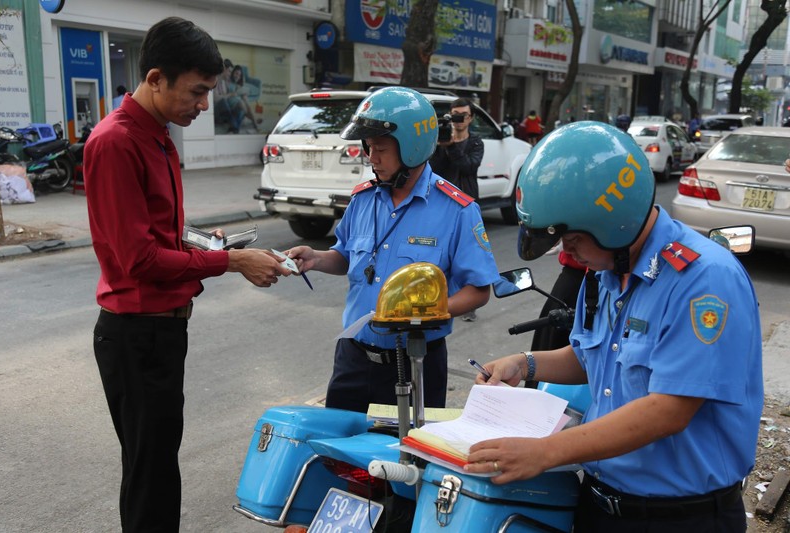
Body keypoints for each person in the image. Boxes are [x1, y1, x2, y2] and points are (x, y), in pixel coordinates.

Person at [465, 121, 762, 532]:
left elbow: (669, 409)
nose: (566, 253)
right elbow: (593, 357)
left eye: (571, 241)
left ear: (612, 218)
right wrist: (525, 363)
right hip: (600, 506)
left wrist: (546, 452)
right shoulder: (606, 269)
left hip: (678, 519)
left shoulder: (702, 279)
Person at [83, 17, 290, 533]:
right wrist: (232, 261)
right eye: (197, 92)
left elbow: (157, 235)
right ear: (156, 79)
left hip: (164, 329)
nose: (203, 105)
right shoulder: (116, 142)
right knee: (149, 474)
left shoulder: (157, 136)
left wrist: (203, 242)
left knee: (158, 468)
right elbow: (139, 261)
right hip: (136, 333)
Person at [286, 87, 498, 413]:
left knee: (407, 459)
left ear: (412, 148)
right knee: (339, 451)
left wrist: (425, 314)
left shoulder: (457, 209)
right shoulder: (362, 199)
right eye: (368, 147)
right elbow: (345, 255)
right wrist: (315, 259)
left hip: (416, 361)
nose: (372, 158)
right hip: (353, 356)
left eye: (381, 149)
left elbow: (479, 290)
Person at [429, 98, 484, 324]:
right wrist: (442, 146)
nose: (459, 119)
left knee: (468, 257)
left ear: (470, 118)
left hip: (467, 204)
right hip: (443, 204)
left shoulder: (476, 142)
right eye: (455, 114)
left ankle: (467, 303)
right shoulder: (441, 141)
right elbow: (435, 170)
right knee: (440, 253)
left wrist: (452, 146)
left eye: (463, 115)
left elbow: (469, 166)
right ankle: (442, 298)